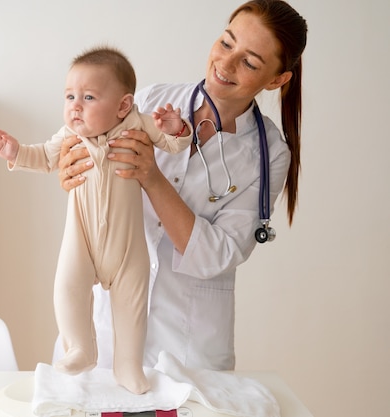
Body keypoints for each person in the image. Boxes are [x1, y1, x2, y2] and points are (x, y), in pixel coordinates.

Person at [55, 0, 307, 372]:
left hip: (188, 344)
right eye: (226, 43)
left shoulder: (268, 155)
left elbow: (213, 256)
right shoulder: (148, 103)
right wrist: (70, 168)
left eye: (250, 62)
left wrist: (152, 177)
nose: (225, 64)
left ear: (276, 80)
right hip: (107, 325)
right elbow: (90, 172)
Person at [0, 46, 192, 394]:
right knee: (66, 287)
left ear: (123, 105)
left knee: (132, 306)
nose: (75, 106)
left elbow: (173, 144)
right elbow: (43, 157)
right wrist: (15, 152)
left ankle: (128, 366)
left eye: (89, 97)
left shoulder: (138, 125)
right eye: (69, 96)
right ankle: (80, 348)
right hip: (81, 239)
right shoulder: (69, 136)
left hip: (127, 247)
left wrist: (176, 128)